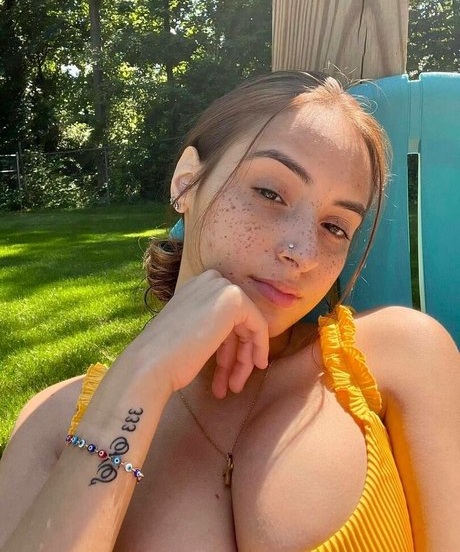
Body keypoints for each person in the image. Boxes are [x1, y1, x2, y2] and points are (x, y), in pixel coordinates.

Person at [0, 71, 458, 552]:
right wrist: (141, 377)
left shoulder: (400, 356)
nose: (302, 252)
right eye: (270, 193)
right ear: (186, 181)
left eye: (335, 227)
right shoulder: (53, 422)